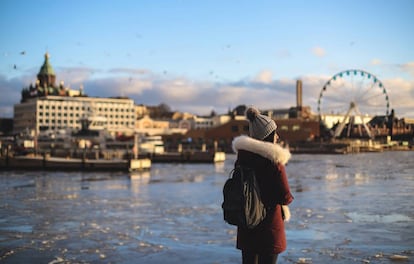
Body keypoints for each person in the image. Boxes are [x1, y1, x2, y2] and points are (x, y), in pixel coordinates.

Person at [232, 106, 294, 264]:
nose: (278, 137)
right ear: (267, 136)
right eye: (275, 133)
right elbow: (285, 196)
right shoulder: (274, 161)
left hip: (247, 224)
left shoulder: (242, 158)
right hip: (269, 228)